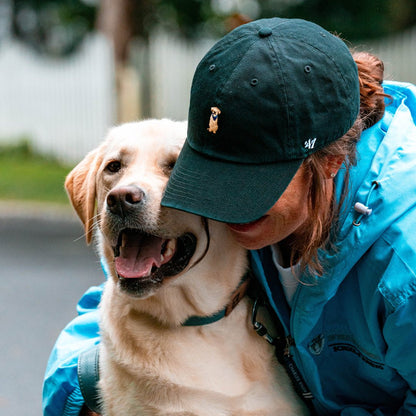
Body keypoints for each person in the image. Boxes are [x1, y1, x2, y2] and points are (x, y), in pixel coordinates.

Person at [43, 17, 416, 416]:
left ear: (330, 162)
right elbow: (113, 300)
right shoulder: (260, 215)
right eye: (212, 171)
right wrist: (82, 388)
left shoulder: (404, 268)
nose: (224, 202)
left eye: (253, 181)